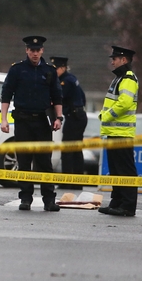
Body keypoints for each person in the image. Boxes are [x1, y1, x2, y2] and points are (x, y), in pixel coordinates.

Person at [0, 36, 63, 212]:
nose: (35, 53)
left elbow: (57, 96)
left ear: (42, 50)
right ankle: (26, 198)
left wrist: (58, 118)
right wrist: (3, 119)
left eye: (38, 50)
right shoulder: (17, 70)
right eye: (32, 50)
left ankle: (49, 200)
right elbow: (6, 94)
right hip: (23, 120)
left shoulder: (49, 71)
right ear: (27, 50)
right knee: (24, 160)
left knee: (44, 162)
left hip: (43, 121)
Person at [99, 46, 139, 217]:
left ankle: (128, 206)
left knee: (125, 171)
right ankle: (117, 202)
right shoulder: (119, 78)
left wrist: (106, 116)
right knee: (116, 170)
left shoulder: (128, 78)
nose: (112, 61)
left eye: (115, 58)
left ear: (124, 60)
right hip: (114, 133)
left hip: (121, 134)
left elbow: (125, 103)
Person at [50, 56, 88, 190]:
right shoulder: (72, 79)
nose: (54, 72)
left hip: (74, 118)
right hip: (79, 116)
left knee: (67, 150)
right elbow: (83, 98)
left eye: (56, 69)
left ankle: (66, 181)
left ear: (62, 68)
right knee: (76, 150)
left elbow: (59, 99)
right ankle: (77, 181)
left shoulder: (64, 82)